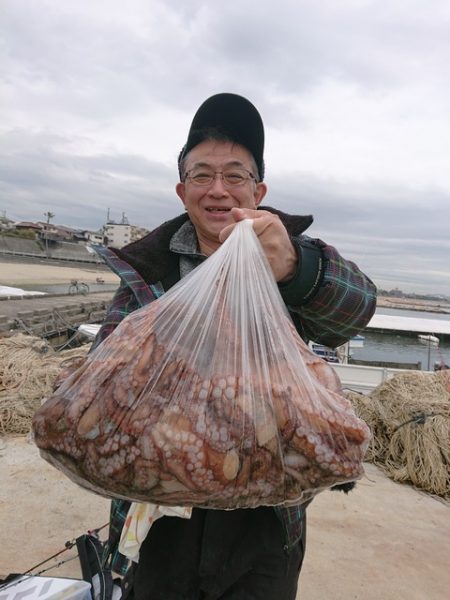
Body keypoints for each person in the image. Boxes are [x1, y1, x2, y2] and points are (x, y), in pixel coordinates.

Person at [93, 93, 377, 600]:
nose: (218, 189)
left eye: (235, 175)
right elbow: (103, 380)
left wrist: (295, 268)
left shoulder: (287, 253)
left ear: (258, 189)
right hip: (160, 514)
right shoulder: (148, 272)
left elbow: (355, 310)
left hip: (266, 520)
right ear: (182, 191)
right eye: (202, 175)